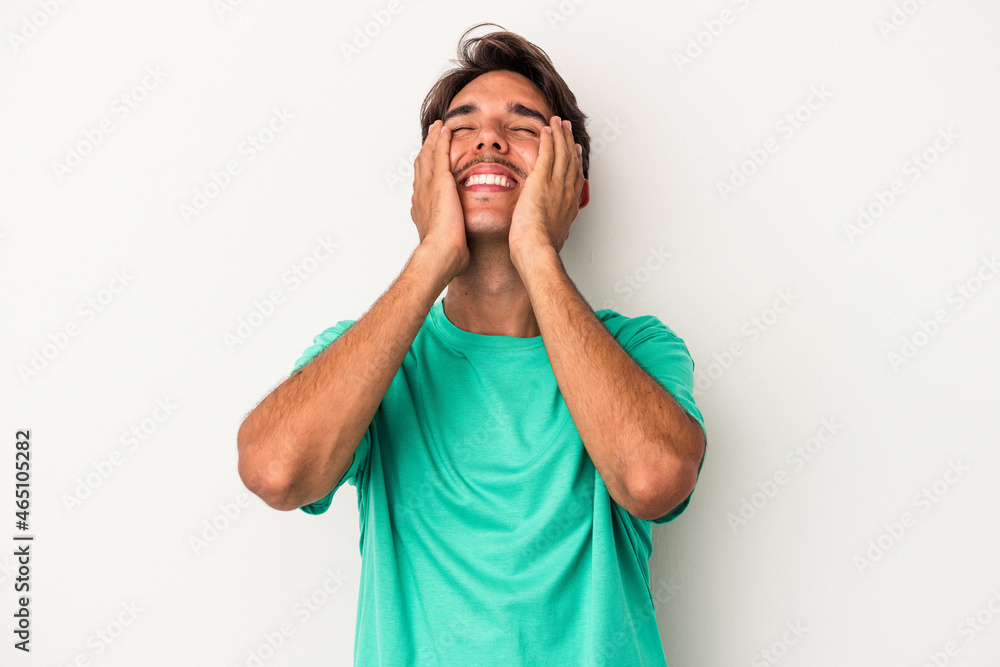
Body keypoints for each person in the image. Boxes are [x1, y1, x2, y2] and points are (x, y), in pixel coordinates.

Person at [237, 22, 707, 667]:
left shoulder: (640, 348)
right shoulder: (367, 357)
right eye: (461, 128)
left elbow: (654, 480)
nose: (489, 139)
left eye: (524, 127)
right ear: (424, 180)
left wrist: (536, 250)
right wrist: (433, 253)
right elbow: (275, 472)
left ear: (575, 185)